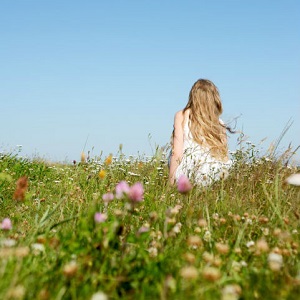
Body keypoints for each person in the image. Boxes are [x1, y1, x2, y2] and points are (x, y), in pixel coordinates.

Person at [169, 79, 232, 186]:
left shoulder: (182, 115)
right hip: (214, 172)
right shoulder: (219, 123)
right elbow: (224, 154)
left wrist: (170, 182)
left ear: (193, 97)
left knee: (170, 154)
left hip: (188, 171)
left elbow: (177, 153)